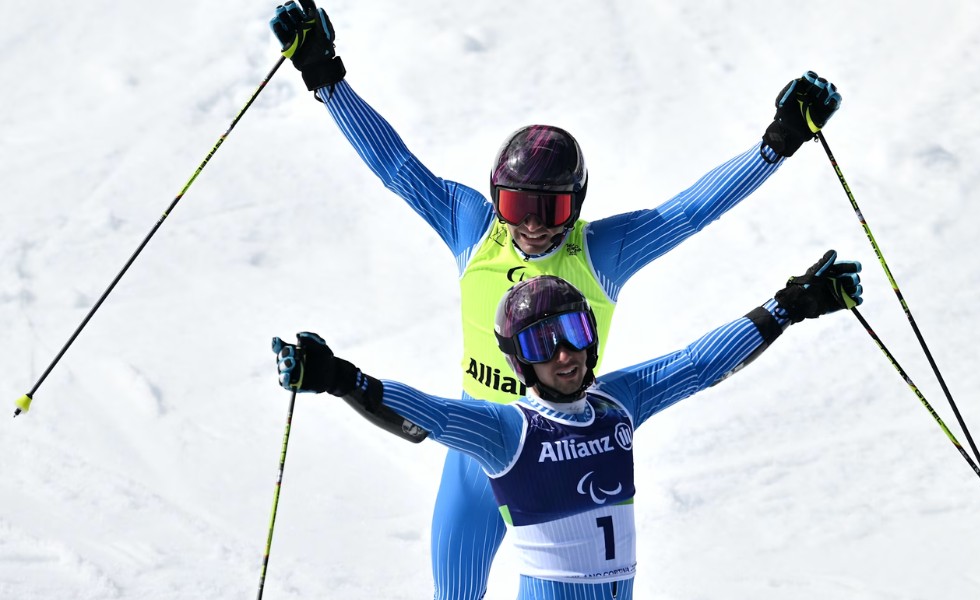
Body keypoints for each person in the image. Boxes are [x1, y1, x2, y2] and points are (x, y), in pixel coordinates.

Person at [268, 1, 844, 597]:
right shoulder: (471, 228)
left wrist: (779, 142)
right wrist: (325, 77)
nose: (536, 227)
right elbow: (394, 166)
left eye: (554, 210)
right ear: (496, 200)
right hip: (480, 442)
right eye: (518, 207)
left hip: (561, 443)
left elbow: (692, 212)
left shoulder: (603, 251)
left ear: (579, 202)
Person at [271, 251, 862, 599]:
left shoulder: (617, 401)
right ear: (519, 360)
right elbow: (426, 411)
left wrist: (790, 307)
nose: (564, 354)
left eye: (576, 333)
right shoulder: (506, 430)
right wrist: (340, 377)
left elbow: (699, 364)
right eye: (542, 343)